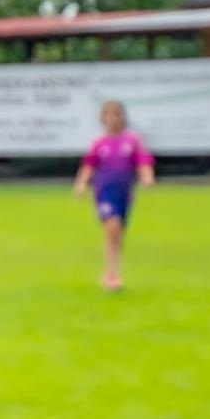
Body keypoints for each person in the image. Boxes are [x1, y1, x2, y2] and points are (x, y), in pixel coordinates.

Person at [73, 100, 155, 292]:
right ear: (102, 118)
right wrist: (81, 183)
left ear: (122, 117)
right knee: (112, 226)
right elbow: (89, 164)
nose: (112, 118)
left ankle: (113, 272)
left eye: (116, 114)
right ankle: (111, 275)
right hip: (104, 192)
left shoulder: (132, 140)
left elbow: (142, 161)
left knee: (118, 234)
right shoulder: (99, 142)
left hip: (124, 193)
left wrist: (147, 177)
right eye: (108, 114)